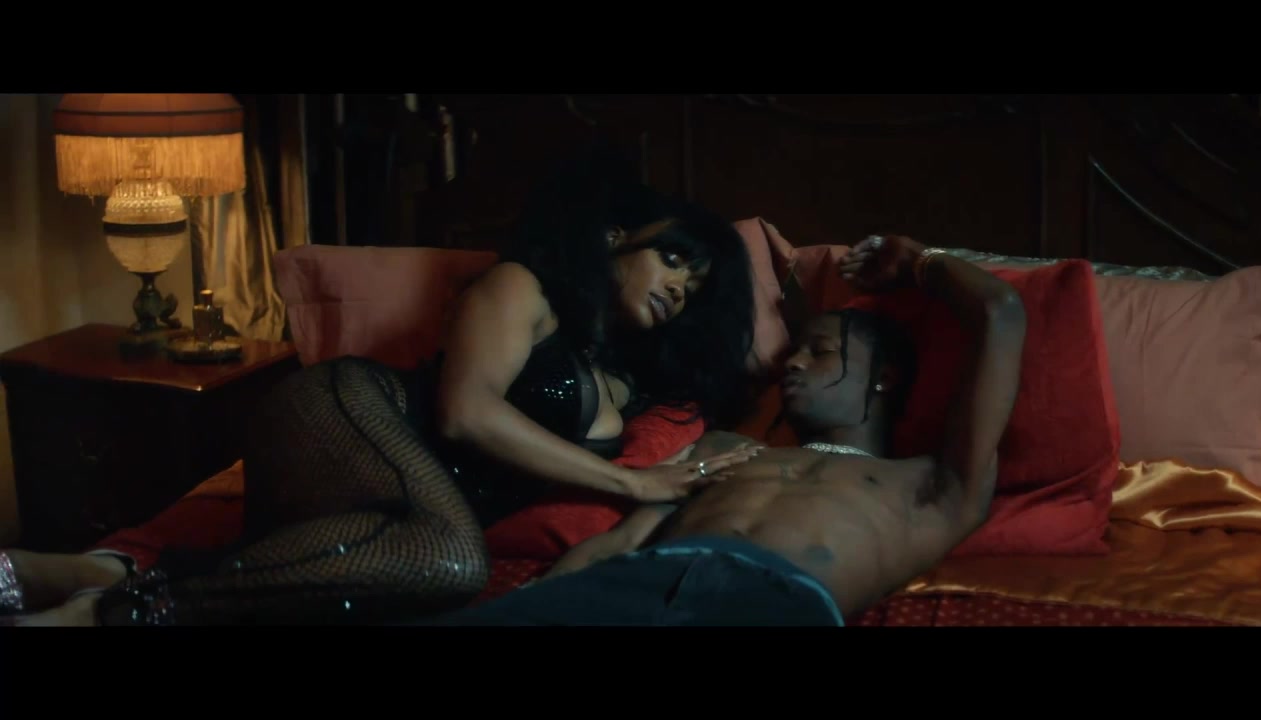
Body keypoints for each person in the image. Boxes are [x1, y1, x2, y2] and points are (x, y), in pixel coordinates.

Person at [0, 141, 763, 626]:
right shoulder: (523, 288)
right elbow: (465, 413)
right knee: (448, 561)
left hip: (391, 507)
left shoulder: (630, 382)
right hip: (346, 415)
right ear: (613, 238)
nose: (678, 288)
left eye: (693, 289)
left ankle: (87, 580)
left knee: (382, 558)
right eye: (672, 260)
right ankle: (108, 618)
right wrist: (629, 483)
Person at [414, 233, 1028, 626]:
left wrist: (919, 264)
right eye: (793, 350)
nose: (792, 363)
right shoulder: (725, 449)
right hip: (632, 584)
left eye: (818, 351)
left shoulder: (933, 484)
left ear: (885, 377)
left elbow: (1001, 315)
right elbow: (621, 542)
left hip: (767, 602)